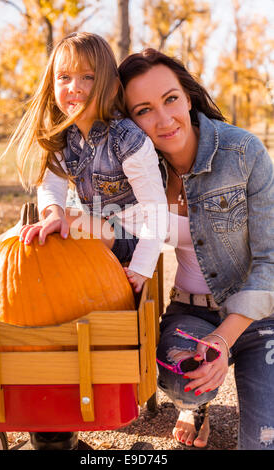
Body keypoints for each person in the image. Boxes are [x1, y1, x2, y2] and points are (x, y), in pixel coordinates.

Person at [117, 48, 274, 450]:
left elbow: (270, 259)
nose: (164, 119)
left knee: (263, 443)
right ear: (129, 122)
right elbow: (107, 226)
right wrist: (60, 217)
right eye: (143, 110)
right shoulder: (134, 172)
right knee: (186, 382)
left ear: (187, 96)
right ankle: (196, 407)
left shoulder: (243, 153)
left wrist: (224, 340)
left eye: (171, 99)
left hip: (260, 318)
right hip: (191, 314)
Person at [4, 32, 168, 294]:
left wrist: (141, 267)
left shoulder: (127, 139)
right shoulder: (63, 134)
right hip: (94, 224)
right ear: (52, 85)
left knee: (67, 221)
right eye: (64, 77)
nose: (74, 87)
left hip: (131, 236)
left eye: (87, 77)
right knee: (43, 223)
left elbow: (156, 210)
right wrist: (53, 212)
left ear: (112, 87)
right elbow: (51, 183)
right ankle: (4, 273)